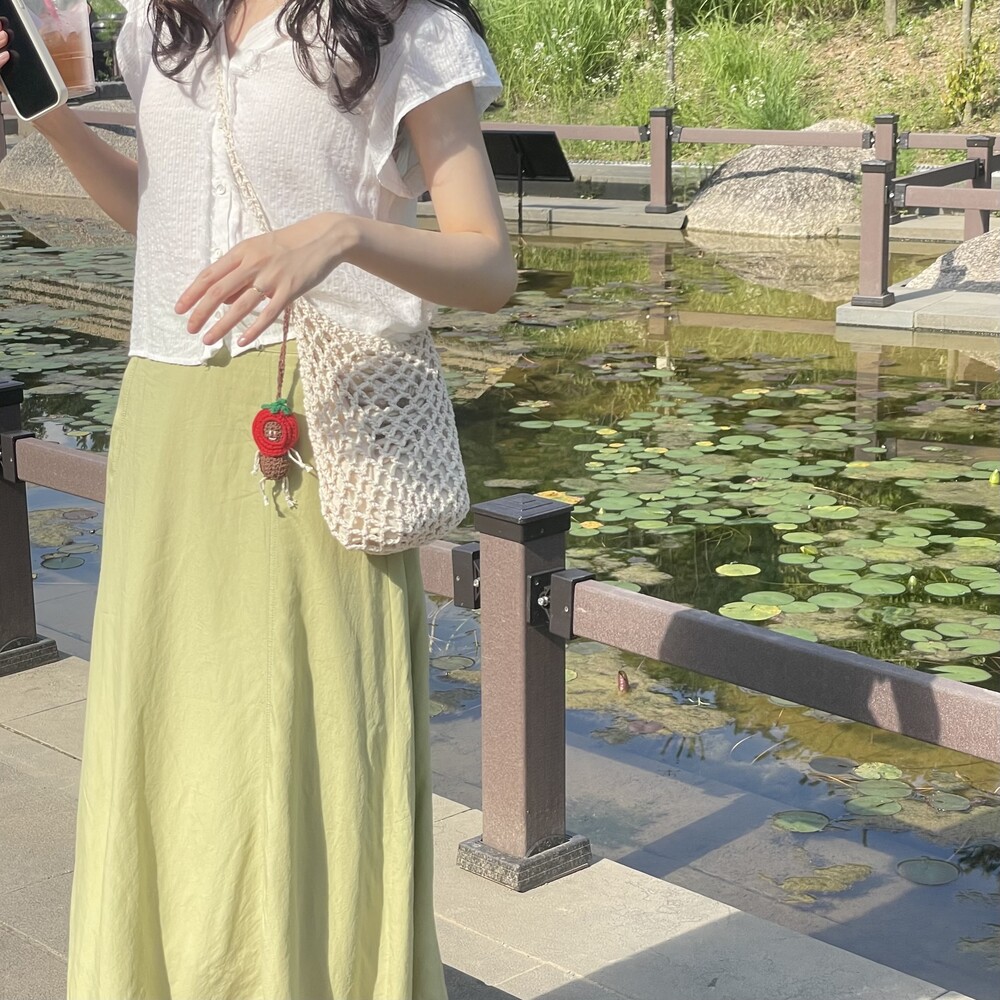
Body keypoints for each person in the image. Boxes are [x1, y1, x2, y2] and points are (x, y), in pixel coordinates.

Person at [0, 0, 516, 995]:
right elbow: (164, 214)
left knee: (304, 740)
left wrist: (339, 235)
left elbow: (488, 265)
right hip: (166, 416)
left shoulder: (403, 28)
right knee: (173, 736)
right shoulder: (160, 25)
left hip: (314, 419)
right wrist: (53, 117)